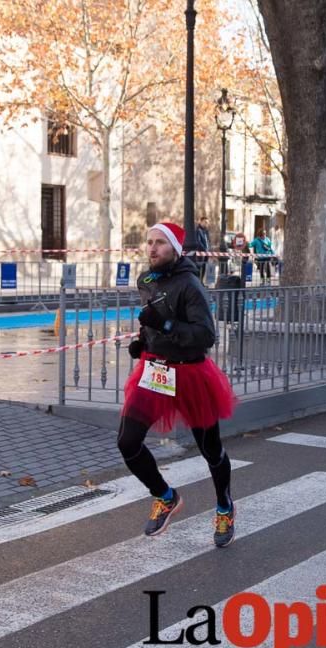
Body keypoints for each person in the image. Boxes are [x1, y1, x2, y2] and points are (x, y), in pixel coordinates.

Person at [119, 221, 238, 547]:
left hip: (189, 373)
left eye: (160, 243)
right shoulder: (147, 279)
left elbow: (205, 336)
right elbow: (153, 319)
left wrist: (165, 324)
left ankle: (225, 506)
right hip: (155, 369)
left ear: (175, 249)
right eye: (149, 242)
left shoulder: (190, 285)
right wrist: (144, 342)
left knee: (210, 450)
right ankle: (165, 495)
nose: (152, 248)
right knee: (128, 442)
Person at [193, 216, 210, 282]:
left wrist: (209, 249)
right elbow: (198, 242)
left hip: (206, 252)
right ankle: (198, 281)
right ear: (201, 222)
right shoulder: (198, 230)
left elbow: (208, 241)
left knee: (204, 267)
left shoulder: (206, 231)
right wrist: (204, 249)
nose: (206, 224)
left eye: (207, 223)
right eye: (205, 222)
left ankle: (201, 281)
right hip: (201, 252)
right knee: (199, 267)